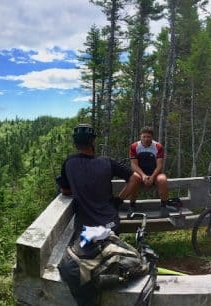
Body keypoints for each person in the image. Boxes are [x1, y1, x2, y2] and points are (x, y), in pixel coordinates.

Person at [57, 123, 141, 306]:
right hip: (110, 224)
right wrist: (119, 200)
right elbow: (135, 178)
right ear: (93, 142)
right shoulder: (106, 162)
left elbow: (64, 190)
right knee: (108, 259)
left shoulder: (69, 163)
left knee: (85, 265)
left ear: (75, 143)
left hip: (85, 229)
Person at [128, 126, 169, 207]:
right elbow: (133, 165)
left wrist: (153, 177)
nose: (146, 139)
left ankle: (164, 206)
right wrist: (143, 176)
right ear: (140, 136)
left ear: (152, 137)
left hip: (155, 173)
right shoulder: (134, 146)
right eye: (144, 136)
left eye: (148, 137)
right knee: (134, 178)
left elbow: (159, 165)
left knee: (163, 179)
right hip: (140, 173)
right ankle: (132, 205)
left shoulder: (158, 146)